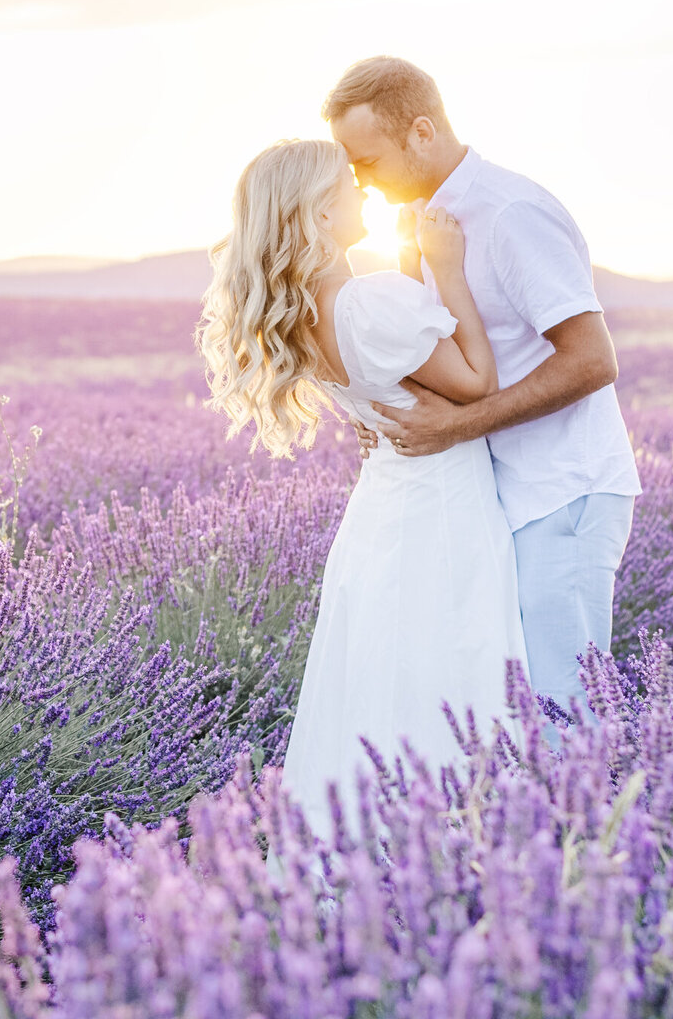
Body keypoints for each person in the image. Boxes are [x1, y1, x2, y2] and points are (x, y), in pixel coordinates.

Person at [197, 139, 529, 831]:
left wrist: (411, 267)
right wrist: (446, 269)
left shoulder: (306, 315)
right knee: (448, 669)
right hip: (441, 507)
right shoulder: (369, 300)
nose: (365, 194)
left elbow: (390, 377)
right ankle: (447, 846)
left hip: (383, 509)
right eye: (349, 186)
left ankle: (369, 859)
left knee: (381, 680)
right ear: (320, 215)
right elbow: (476, 383)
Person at [324, 55, 641, 720]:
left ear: (419, 132)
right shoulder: (427, 224)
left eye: (368, 162)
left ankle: (594, 828)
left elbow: (592, 361)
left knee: (565, 712)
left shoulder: (510, 212)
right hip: (501, 500)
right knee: (512, 717)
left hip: (563, 490)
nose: (361, 183)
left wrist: (456, 427)